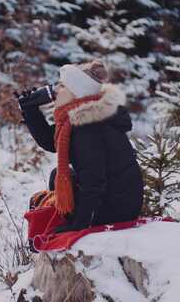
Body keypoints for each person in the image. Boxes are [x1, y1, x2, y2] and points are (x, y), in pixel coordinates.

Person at [18, 60, 144, 233]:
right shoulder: (82, 116)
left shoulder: (87, 127)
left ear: (77, 93)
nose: (55, 91)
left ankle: (78, 219)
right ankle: (71, 215)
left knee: (56, 191)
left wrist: (78, 226)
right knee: (58, 176)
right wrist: (31, 111)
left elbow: (93, 183)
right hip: (122, 200)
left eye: (61, 86)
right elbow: (50, 142)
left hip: (116, 208)